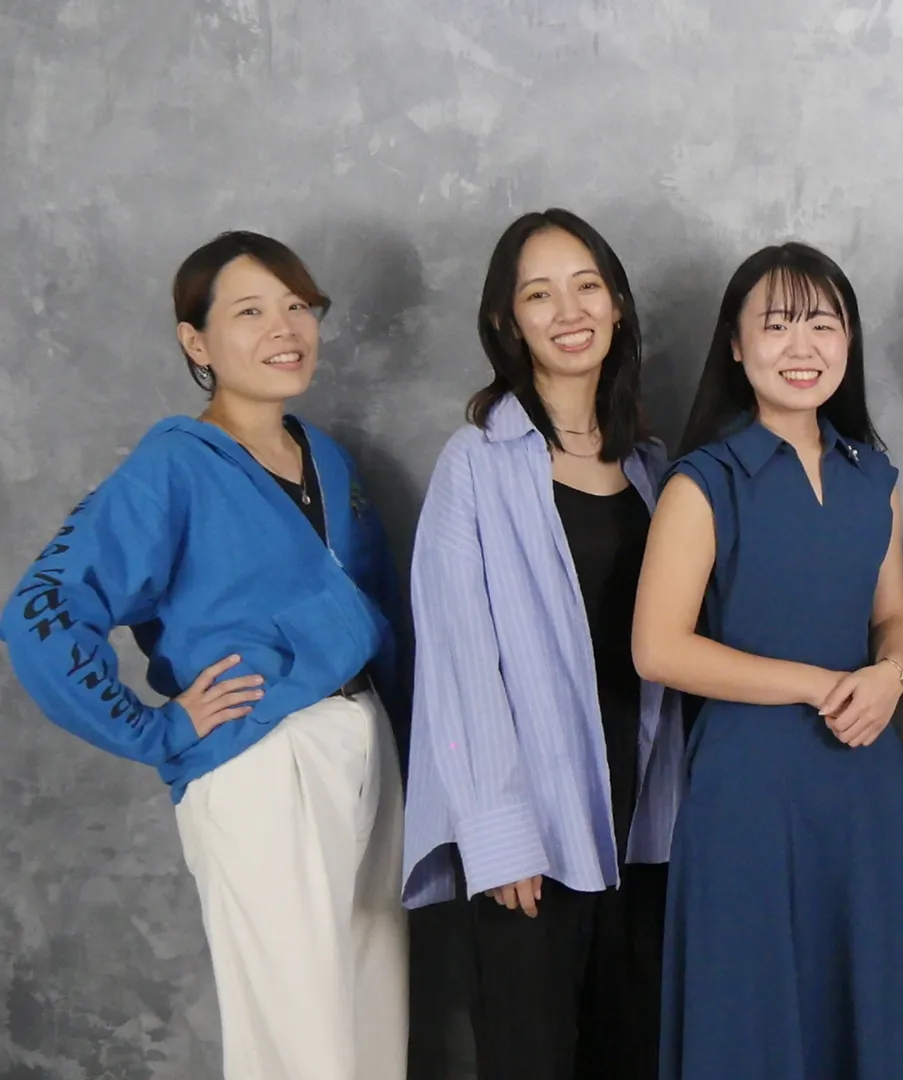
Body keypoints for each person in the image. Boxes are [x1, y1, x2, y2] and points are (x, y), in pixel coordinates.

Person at [0, 231, 410, 1078]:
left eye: (298, 306)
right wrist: (156, 729)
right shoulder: (172, 467)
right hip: (263, 759)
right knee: (301, 1046)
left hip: (365, 742)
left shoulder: (328, 459)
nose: (285, 328)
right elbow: (41, 607)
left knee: (374, 1027)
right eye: (250, 311)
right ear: (197, 342)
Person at [632, 242, 903, 1080]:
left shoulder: (874, 479)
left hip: (864, 773)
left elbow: (893, 618)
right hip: (747, 782)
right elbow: (657, 648)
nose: (802, 346)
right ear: (736, 347)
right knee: (754, 1005)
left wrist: (891, 675)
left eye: (822, 324)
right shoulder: (702, 483)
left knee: (873, 995)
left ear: (849, 340)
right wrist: (824, 685)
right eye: (776, 325)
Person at [400, 209, 681, 1080]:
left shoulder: (653, 467)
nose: (569, 311)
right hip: (534, 832)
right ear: (506, 321)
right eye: (539, 294)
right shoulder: (476, 465)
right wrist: (497, 832)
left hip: (644, 825)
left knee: (634, 1058)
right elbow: (457, 665)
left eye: (587, 286)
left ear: (618, 306)